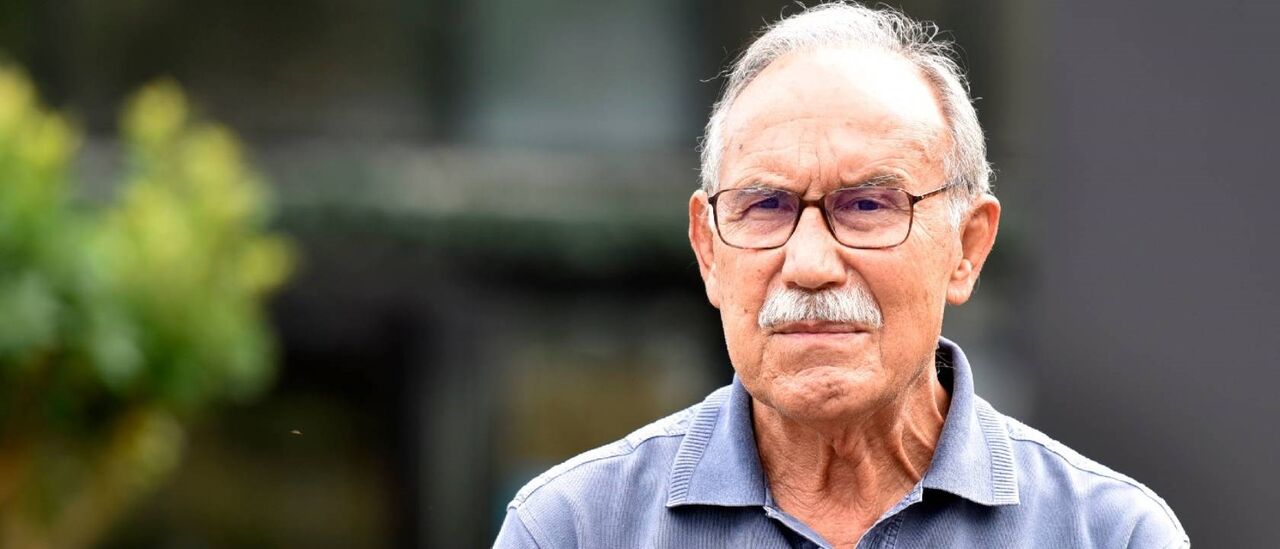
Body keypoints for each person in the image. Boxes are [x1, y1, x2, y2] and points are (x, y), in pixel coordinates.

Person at [494, 2, 1188, 547]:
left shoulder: (1109, 534)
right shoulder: (573, 529)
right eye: (765, 206)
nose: (810, 265)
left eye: (868, 205)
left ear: (968, 247)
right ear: (708, 250)